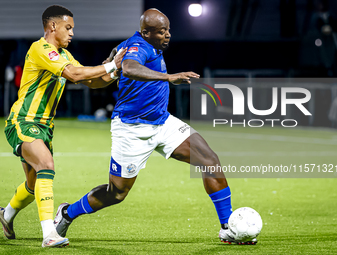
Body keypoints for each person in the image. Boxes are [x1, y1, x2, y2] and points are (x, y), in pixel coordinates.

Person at [54, 8, 256, 245]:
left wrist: (113, 61)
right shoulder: (138, 47)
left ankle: (227, 228)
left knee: (210, 161)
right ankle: (68, 212)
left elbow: (119, 63)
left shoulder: (138, 44)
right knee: (116, 193)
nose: (167, 35)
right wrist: (169, 77)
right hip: (132, 129)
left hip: (162, 122)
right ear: (146, 32)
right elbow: (130, 67)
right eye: (161, 32)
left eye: (168, 30)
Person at [0, 5, 126, 248]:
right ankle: (50, 234)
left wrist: (114, 71)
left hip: (45, 127)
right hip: (24, 121)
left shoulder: (65, 56)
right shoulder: (41, 49)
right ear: (53, 26)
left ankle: (6, 215)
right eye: (68, 28)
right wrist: (110, 66)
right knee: (46, 164)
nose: (72, 33)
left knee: (33, 184)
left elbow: (90, 80)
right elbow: (75, 74)